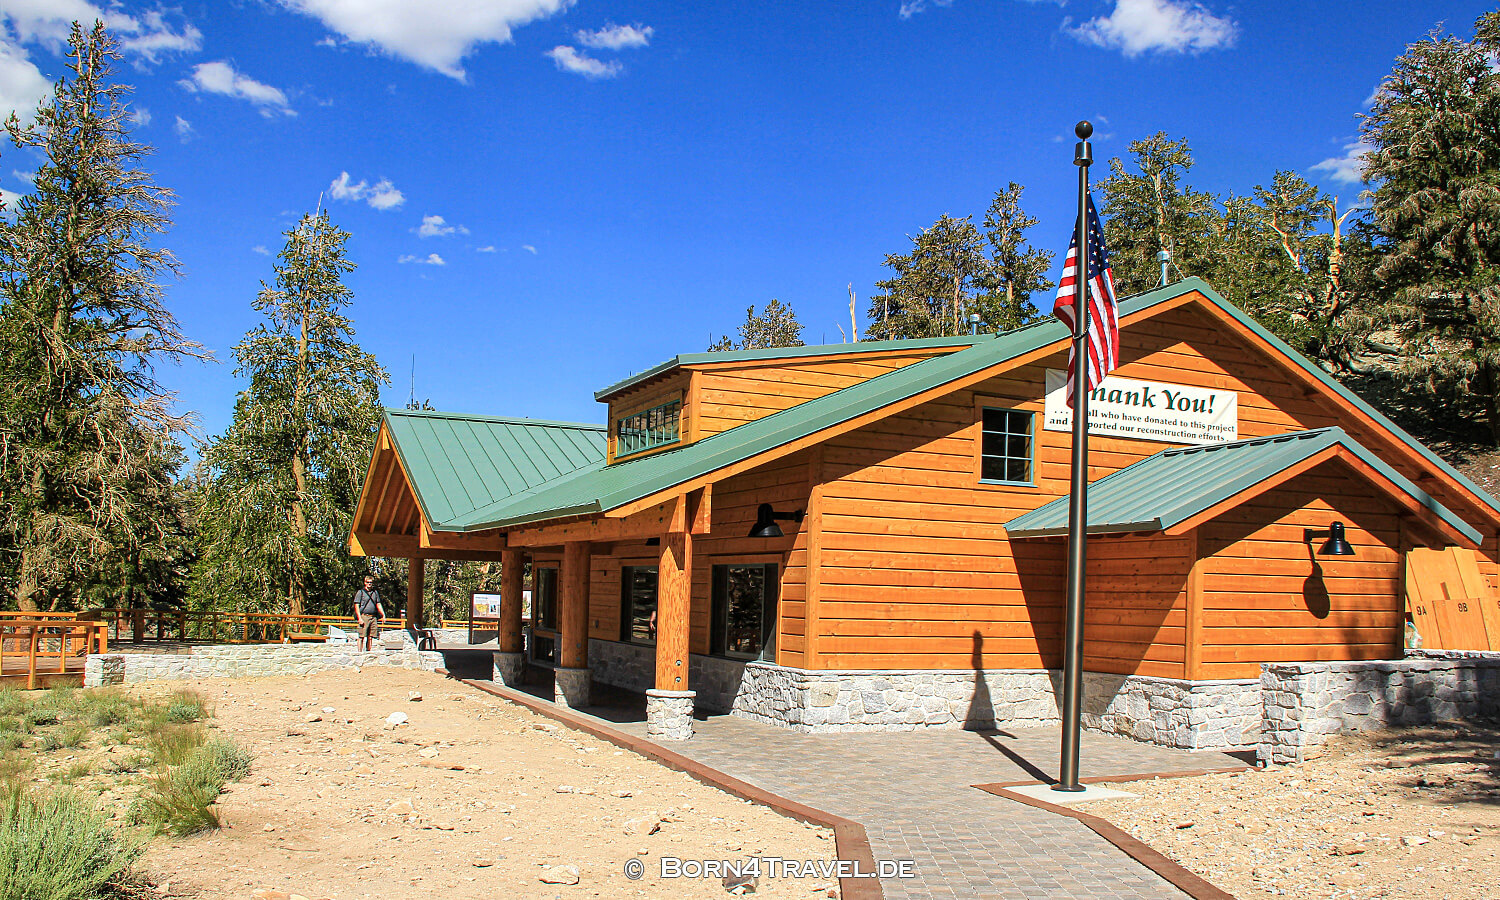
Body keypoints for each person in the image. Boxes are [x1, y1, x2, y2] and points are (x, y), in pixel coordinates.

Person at [353, 574, 384, 652]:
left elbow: (378, 604)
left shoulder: (375, 593)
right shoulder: (360, 592)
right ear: (365, 583)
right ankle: (359, 652)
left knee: (371, 636)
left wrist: (383, 615)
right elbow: (356, 605)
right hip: (364, 616)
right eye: (368, 582)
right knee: (362, 636)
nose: (369, 584)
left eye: (371, 582)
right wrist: (359, 618)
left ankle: (368, 651)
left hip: (373, 617)